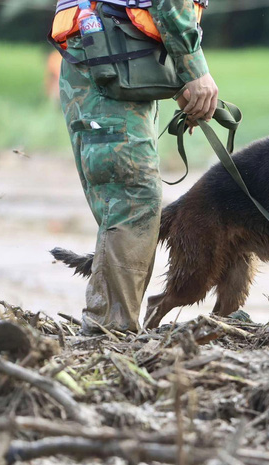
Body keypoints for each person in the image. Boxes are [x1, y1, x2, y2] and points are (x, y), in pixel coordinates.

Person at [50, 0, 218, 334]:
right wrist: (195, 71)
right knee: (133, 198)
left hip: (112, 62)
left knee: (126, 199)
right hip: (107, 65)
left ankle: (110, 327)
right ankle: (109, 332)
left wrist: (178, 79)